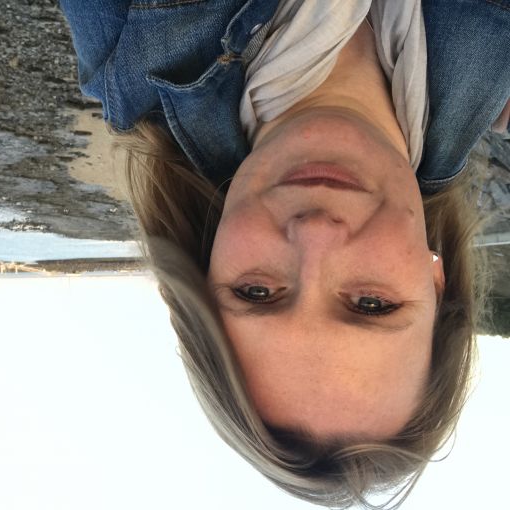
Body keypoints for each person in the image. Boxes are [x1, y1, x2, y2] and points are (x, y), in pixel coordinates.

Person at [60, 1, 509, 508]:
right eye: (370, 304)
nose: (315, 234)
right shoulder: (490, 68)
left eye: (257, 292)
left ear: (210, 264)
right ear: (436, 283)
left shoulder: (135, 52)